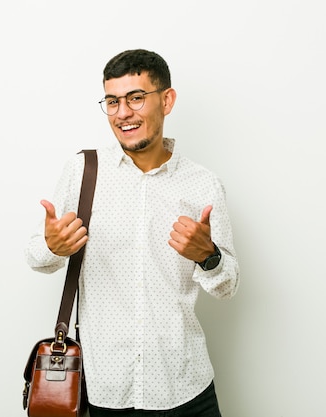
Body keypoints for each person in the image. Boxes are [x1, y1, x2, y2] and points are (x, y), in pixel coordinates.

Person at [25, 49, 239, 417]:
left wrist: (209, 256)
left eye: (136, 98)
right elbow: (37, 258)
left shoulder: (203, 185)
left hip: (185, 385)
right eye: (112, 101)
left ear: (166, 100)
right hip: (107, 388)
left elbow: (226, 287)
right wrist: (52, 247)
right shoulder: (82, 171)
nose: (123, 113)